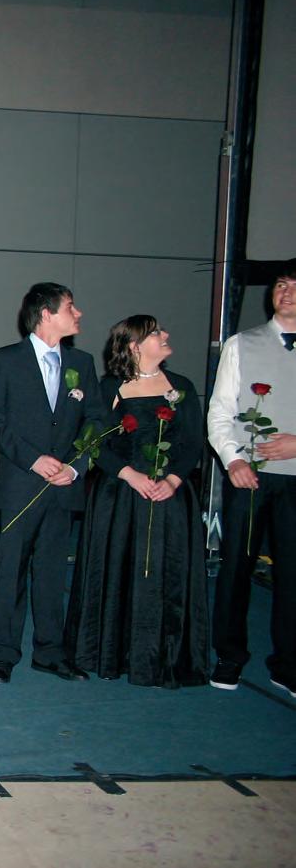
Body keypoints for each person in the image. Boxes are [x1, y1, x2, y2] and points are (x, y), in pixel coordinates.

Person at [63, 316, 208, 686]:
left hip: (170, 496)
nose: (166, 335)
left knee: (166, 573)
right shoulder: (111, 386)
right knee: (120, 568)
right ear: (134, 346)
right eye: (156, 333)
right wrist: (130, 475)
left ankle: (165, 655)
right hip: (122, 496)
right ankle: (113, 651)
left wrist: (172, 479)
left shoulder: (182, 387)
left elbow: (193, 442)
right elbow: (95, 441)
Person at [0, 282, 104, 684]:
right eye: (71, 307)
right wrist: (33, 459)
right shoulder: (5, 360)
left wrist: (77, 466)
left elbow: (97, 421)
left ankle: (50, 653)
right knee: (11, 572)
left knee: (51, 573)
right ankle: (4, 653)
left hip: (64, 487)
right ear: (46, 314)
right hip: (20, 484)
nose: (78, 314)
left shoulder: (82, 363)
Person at [208, 260, 296, 697]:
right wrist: (234, 461)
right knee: (236, 568)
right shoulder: (241, 344)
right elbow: (220, 412)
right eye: (281, 284)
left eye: (295, 286)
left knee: (293, 575)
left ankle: (288, 662)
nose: (286, 293)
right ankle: (229, 655)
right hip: (249, 479)